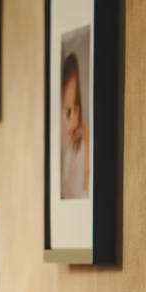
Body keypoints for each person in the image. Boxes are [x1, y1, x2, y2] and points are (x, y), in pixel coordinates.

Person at [60, 50, 90, 200]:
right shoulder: (65, 157)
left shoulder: (84, 148)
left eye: (76, 109)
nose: (73, 120)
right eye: (67, 112)